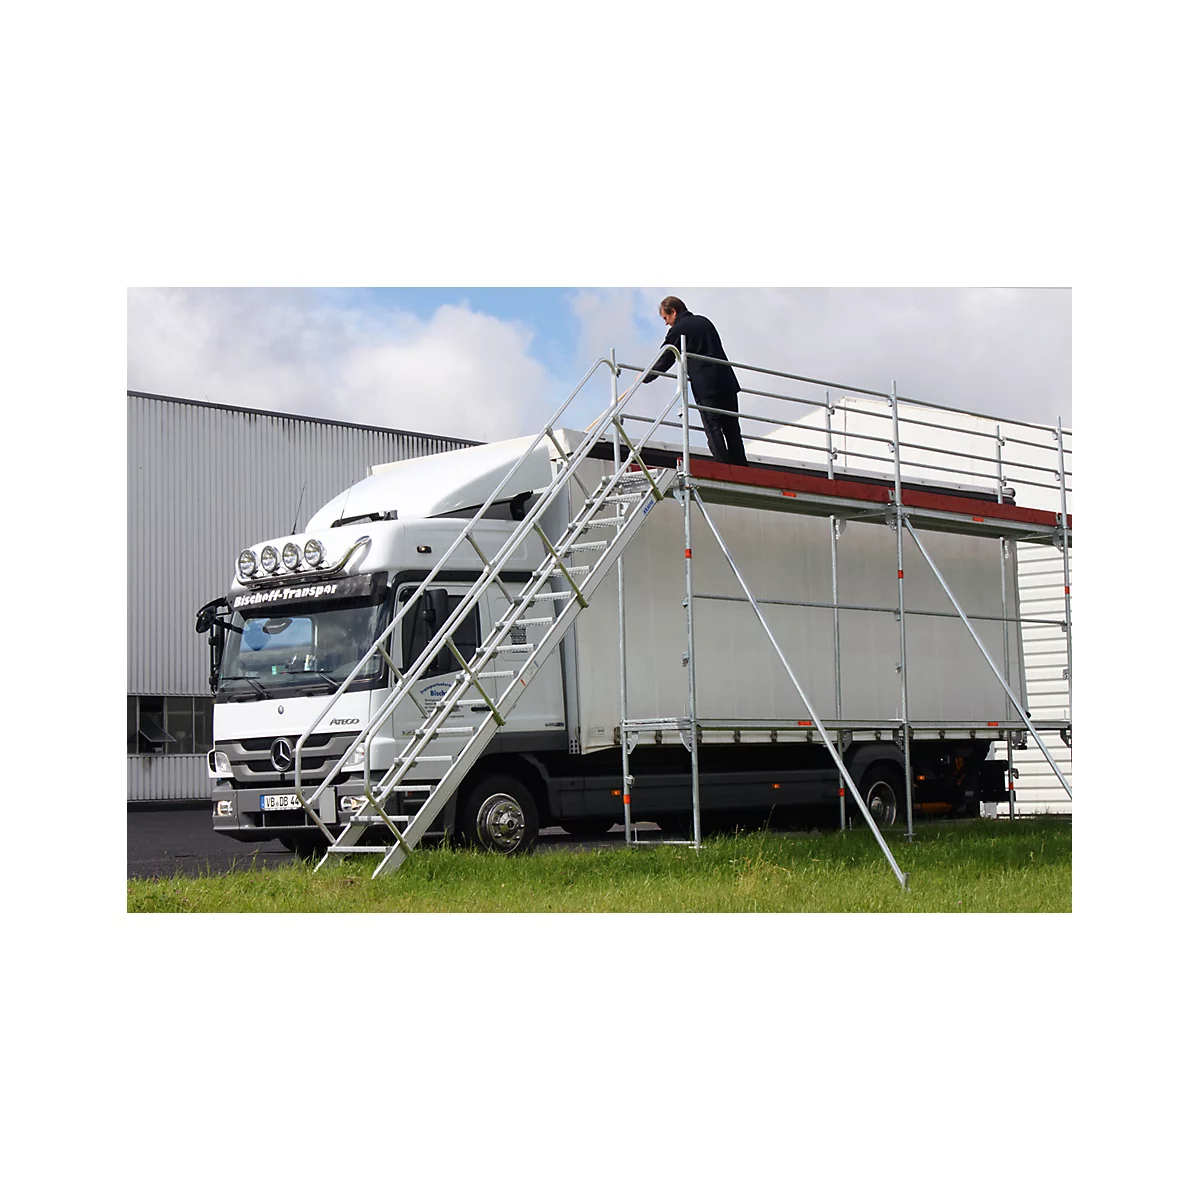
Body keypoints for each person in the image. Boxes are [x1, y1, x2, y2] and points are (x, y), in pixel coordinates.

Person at [643, 295, 748, 467]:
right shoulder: (704, 321)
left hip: (706, 385)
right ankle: (741, 466)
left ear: (674, 312)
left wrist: (645, 377)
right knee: (732, 427)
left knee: (713, 427)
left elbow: (665, 358)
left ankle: (724, 466)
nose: (666, 323)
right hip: (727, 381)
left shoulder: (679, 329)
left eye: (666, 318)